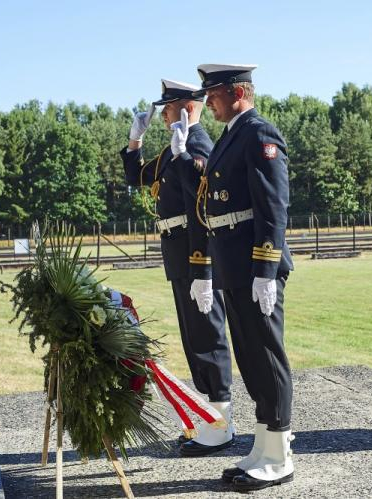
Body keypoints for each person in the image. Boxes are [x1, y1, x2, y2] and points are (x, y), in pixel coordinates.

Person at [191, 63, 294, 491]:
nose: (207, 101)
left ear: (237, 92)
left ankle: (280, 456)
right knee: (251, 359)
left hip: (254, 266)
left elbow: (273, 206)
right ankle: (263, 447)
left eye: (213, 93)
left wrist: (266, 268)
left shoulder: (258, 133)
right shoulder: (233, 134)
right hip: (234, 266)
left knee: (267, 358)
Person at [120, 79, 234, 456]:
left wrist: (203, 269)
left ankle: (219, 424)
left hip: (194, 255)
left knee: (207, 335)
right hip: (179, 254)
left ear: (185, 108)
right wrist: (135, 142)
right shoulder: (175, 149)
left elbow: (203, 214)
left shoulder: (197, 146)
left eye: (167, 108)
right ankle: (208, 417)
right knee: (194, 336)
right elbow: (137, 177)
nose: (162, 114)